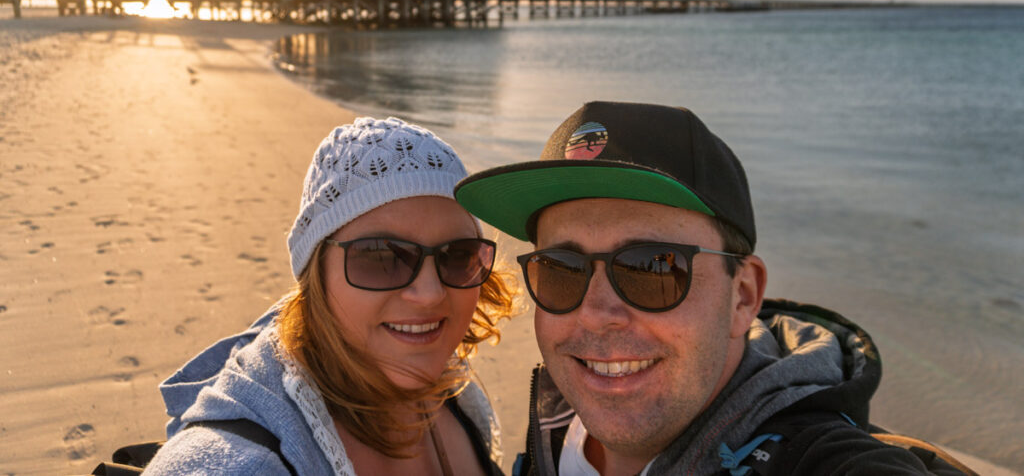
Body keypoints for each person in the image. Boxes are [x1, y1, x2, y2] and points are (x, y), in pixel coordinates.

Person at [455, 101, 968, 476]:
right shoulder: (557, 417)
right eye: (562, 269)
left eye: (652, 268)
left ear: (742, 296)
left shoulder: (823, 460)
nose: (595, 313)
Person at [146, 116, 516, 475]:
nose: (430, 294)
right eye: (381, 257)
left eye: (458, 255)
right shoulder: (240, 462)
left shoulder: (456, 393)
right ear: (316, 275)